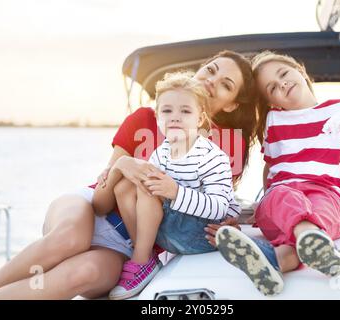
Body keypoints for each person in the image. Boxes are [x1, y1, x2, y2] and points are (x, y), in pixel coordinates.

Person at [0, 50, 257, 300]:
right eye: (211, 70)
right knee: (68, 239)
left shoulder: (225, 147)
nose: (211, 80)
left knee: (83, 273)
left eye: (225, 85)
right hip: (90, 207)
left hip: (133, 247)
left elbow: (214, 208)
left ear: (231, 104)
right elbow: (100, 204)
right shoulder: (146, 118)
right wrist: (122, 166)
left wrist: (226, 223)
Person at [215, 51, 340, 297]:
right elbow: (271, 169)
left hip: (326, 195)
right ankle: (312, 238)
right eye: (272, 87)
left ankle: (278, 260)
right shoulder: (274, 120)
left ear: (300, 70)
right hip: (282, 198)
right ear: (272, 103)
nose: (282, 83)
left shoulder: (339, 110)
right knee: (281, 195)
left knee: (323, 209)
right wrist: (264, 205)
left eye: (284, 74)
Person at [93, 72, 240, 299]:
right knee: (125, 186)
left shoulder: (211, 156)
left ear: (200, 119)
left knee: (147, 185)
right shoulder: (162, 152)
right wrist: (118, 169)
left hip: (201, 236)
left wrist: (175, 192)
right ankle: (145, 256)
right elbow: (140, 189)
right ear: (158, 116)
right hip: (168, 232)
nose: (175, 118)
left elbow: (219, 207)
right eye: (167, 111)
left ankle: (141, 261)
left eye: (185, 111)